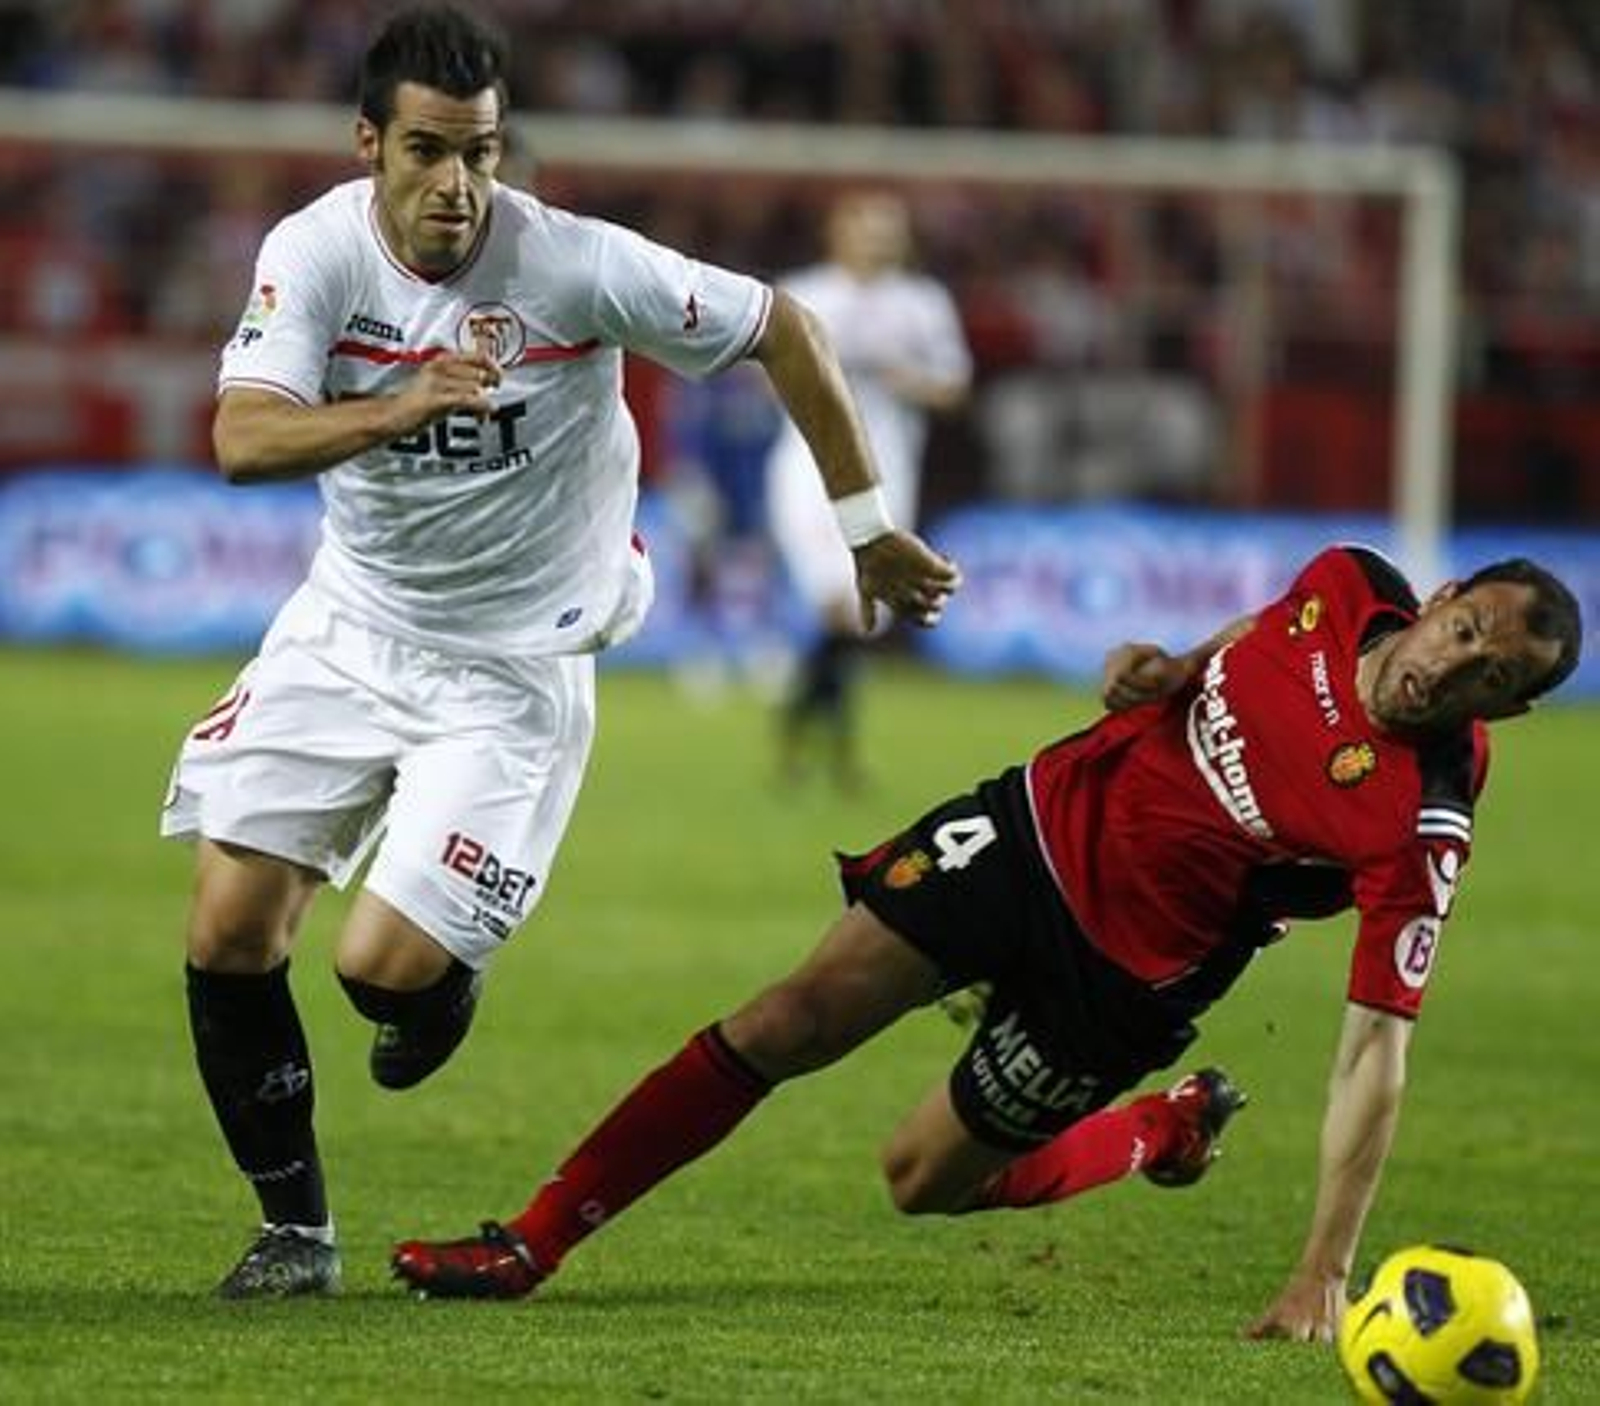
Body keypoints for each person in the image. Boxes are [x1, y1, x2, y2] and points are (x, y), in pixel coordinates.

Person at [159, 3, 960, 1301]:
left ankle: (438, 981)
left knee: (380, 972)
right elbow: (243, 440)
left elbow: (780, 328)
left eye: (480, 152)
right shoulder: (309, 256)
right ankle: (295, 1231)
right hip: (352, 626)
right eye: (427, 150)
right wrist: (399, 404)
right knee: (229, 927)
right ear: (370, 144)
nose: (458, 184)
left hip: (515, 664)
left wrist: (867, 528)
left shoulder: (573, 264)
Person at [392, 545, 1581, 1342]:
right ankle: (531, 1241)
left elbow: (1376, 1045)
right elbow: (1265, 632)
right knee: (787, 1017)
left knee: (920, 1180)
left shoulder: (1417, 821)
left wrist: (1324, 1265)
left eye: (1493, 675)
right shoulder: (1339, 580)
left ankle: (1151, 1128)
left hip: (1121, 972)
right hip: (1029, 828)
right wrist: (1175, 669)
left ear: (1509, 711)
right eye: (1465, 628)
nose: (1456, 665)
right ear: (1431, 599)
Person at [765, 190, 972, 789]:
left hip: (888, 470)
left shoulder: (923, 304)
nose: (879, 240)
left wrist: (898, 377)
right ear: (839, 232)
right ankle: (833, 754)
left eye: (890, 230)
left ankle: (801, 735)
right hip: (808, 468)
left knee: (862, 614)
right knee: (839, 605)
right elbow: (760, 378)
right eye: (868, 228)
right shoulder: (805, 293)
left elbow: (954, 388)